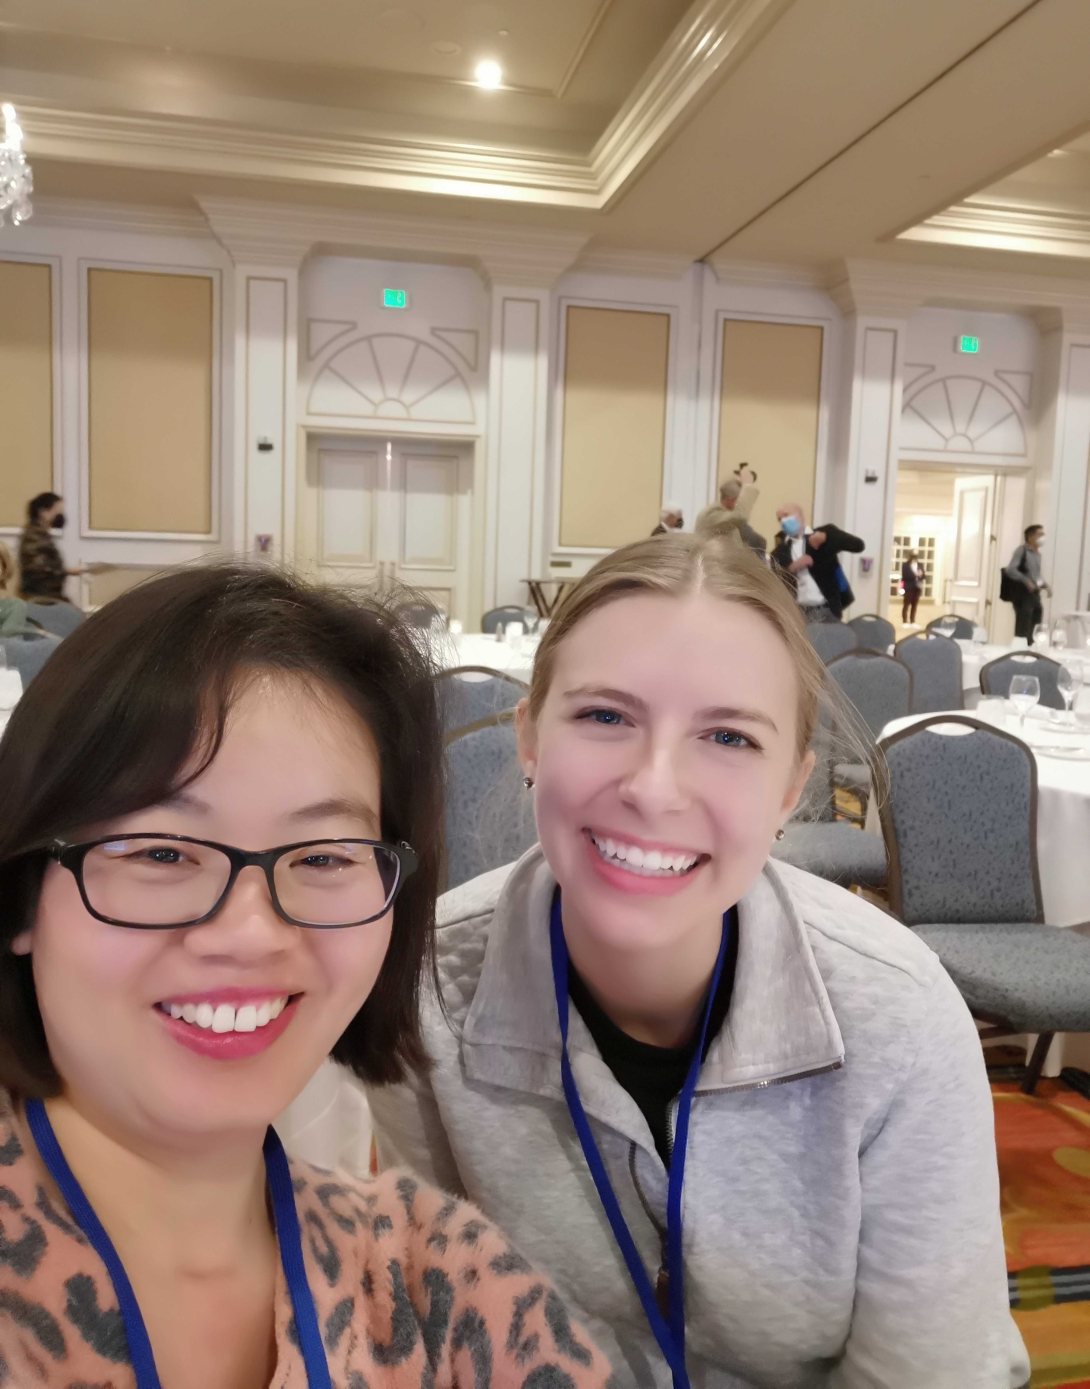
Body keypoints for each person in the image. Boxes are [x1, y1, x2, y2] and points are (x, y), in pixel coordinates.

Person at [369, 533, 1027, 1389]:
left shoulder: (896, 1017)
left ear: (792, 785)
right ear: (529, 739)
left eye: (728, 737)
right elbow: (445, 1344)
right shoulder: (423, 993)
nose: (653, 786)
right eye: (605, 716)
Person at [0, 565, 611, 1389]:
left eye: (324, 855)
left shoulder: (435, 1288)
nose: (251, 933)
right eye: (159, 852)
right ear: (23, 895)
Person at [771, 503, 864, 621]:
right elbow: (775, 580)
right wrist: (792, 567)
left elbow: (858, 545)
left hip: (826, 609)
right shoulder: (779, 551)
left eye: (786, 515)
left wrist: (827, 537)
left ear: (800, 515)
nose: (784, 521)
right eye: (780, 519)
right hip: (798, 612)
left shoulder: (824, 534)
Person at [18, 491, 83, 601]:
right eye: (57, 511)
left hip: (47, 595)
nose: (61, 515)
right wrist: (67, 571)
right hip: (40, 597)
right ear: (43, 512)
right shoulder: (33, 537)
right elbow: (38, 571)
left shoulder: (40, 535)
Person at [694, 466, 766, 555]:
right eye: (740, 500)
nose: (741, 504)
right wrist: (748, 486)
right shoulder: (711, 514)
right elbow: (740, 516)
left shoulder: (725, 514)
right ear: (730, 499)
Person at [1004, 524, 1051, 644]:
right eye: (1039, 534)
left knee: (1036, 624)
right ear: (1030, 536)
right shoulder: (1022, 550)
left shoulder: (1037, 554)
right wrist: (1026, 581)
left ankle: (1032, 651)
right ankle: (1020, 654)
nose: (1042, 537)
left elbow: (1036, 576)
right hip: (1022, 594)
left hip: (1034, 594)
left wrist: (1045, 585)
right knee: (1023, 627)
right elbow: (1011, 569)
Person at [902, 550, 925, 625]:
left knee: (914, 605)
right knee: (906, 604)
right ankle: (905, 621)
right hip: (908, 587)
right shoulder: (905, 565)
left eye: (916, 556)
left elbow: (924, 576)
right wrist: (915, 575)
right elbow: (905, 576)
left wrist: (921, 575)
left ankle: (912, 621)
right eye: (913, 556)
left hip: (917, 587)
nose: (915, 558)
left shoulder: (920, 565)